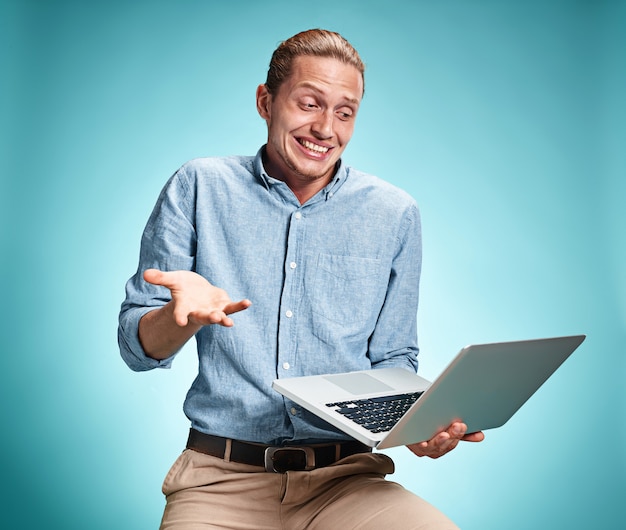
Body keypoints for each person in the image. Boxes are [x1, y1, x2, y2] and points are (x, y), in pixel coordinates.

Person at [118, 28, 484, 529]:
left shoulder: (394, 213)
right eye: (309, 103)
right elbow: (136, 348)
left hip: (347, 480)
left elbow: (395, 359)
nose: (325, 128)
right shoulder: (199, 185)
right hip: (220, 480)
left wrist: (414, 425)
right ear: (266, 102)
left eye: (344, 112)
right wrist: (179, 318)